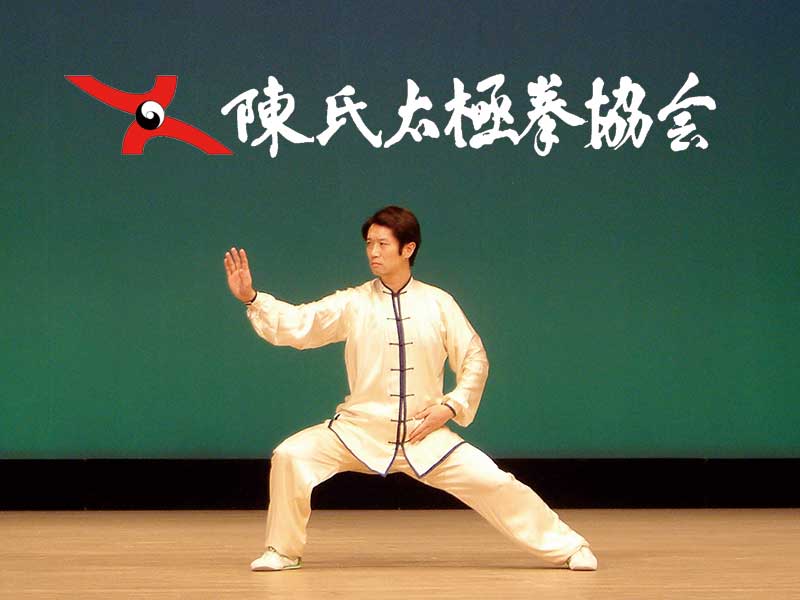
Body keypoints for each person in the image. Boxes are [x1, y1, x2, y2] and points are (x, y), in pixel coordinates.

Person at [223, 206, 597, 572]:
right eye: (369, 243)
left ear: (408, 248)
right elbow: (300, 323)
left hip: (424, 433)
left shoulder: (438, 303)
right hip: (359, 430)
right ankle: (283, 550)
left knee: (495, 482)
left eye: (382, 244)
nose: (373, 252)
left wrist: (451, 406)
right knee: (291, 455)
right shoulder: (353, 302)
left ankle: (569, 547)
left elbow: (474, 358)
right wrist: (252, 298)